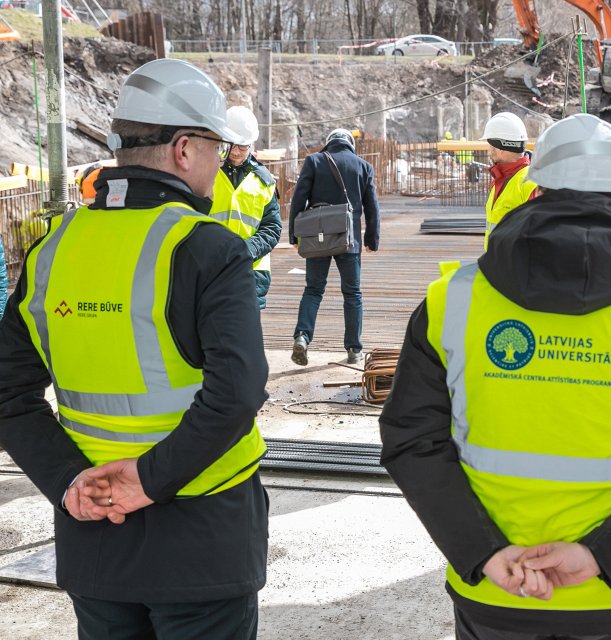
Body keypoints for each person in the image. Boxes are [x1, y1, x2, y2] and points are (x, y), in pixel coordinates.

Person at [380, 113, 611, 640]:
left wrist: (483, 551)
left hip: (496, 589)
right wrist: (603, 556)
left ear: (537, 185)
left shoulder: (451, 302)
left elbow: (412, 441)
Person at [0, 58, 269, 639]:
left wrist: (71, 481)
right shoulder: (206, 247)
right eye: (217, 149)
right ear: (183, 149)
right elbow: (237, 394)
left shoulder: (55, 249)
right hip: (204, 537)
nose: (220, 164)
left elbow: (8, 393)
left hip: (94, 534)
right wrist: (147, 480)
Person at [289, 128, 380, 366]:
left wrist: (294, 235)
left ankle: (302, 336)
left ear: (328, 143)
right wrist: (372, 239)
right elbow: (372, 208)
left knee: (313, 290)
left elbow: (299, 199)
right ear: (350, 144)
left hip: (316, 237)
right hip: (348, 240)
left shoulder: (314, 161)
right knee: (352, 293)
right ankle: (353, 349)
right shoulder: (363, 166)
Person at [210, 105, 282, 309]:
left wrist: (246, 249)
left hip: (251, 270)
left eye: (243, 146)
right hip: (212, 264)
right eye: (232, 145)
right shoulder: (207, 172)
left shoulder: (264, 181)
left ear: (251, 145)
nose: (236, 151)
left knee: (245, 335)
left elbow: (272, 227)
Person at [479, 111, 537, 250]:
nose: (489, 150)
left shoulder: (532, 183)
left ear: (499, 148)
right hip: (497, 264)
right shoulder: (500, 178)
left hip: (517, 268)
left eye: (490, 145)